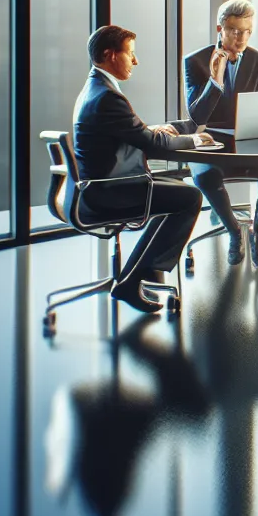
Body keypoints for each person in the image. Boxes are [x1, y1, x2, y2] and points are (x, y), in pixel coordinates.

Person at [72, 26, 215, 313]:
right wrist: (195, 139)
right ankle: (138, 276)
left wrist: (149, 129)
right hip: (109, 190)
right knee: (190, 198)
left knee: (176, 198)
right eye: (131, 54)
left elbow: (128, 132)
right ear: (110, 55)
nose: (135, 62)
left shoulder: (96, 88)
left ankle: (142, 272)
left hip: (98, 187)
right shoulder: (108, 97)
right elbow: (148, 144)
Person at [182, 0, 258, 268]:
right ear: (220, 29)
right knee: (204, 175)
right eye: (234, 31)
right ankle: (233, 231)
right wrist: (215, 79)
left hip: (246, 140)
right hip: (211, 141)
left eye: (247, 31)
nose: (241, 38)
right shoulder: (195, 61)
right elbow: (198, 116)